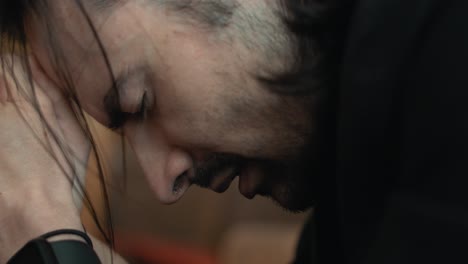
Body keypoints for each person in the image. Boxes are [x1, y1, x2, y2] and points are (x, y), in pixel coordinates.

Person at [1, 0, 468, 263]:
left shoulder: (446, 59)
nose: (165, 183)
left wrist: (44, 237)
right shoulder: (358, 178)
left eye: (140, 103)